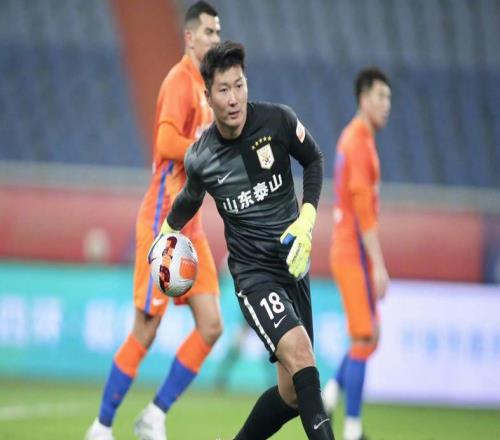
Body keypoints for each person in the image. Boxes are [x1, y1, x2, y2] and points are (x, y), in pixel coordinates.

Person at [154, 41, 335, 440]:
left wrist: (307, 217)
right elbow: (190, 198)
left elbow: (314, 159)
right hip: (255, 276)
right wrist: (167, 232)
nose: (234, 98)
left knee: (292, 393)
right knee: (302, 355)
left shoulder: (278, 122)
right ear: (208, 96)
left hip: (294, 265)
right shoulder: (202, 157)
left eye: (239, 85)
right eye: (224, 89)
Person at [85, 3, 222, 439]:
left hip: (192, 226)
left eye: (218, 32)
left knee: (211, 325)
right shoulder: (180, 81)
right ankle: (101, 426)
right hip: (164, 223)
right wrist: (206, 154)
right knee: (146, 328)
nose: (215, 39)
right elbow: (164, 141)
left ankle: (155, 415)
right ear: (189, 36)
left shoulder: (206, 89)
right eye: (208, 32)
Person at [322, 67, 391, 440]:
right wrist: (378, 265)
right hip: (353, 252)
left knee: (369, 336)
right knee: (364, 337)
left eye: (388, 98)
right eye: (380, 96)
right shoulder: (359, 142)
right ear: (363, 99)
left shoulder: (354, 138)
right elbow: (363, 209)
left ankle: (330, 394)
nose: (386, 104)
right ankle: (352, 429)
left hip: (349, 250)